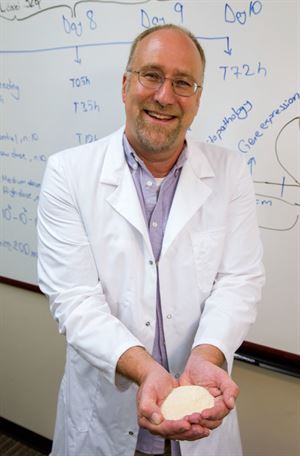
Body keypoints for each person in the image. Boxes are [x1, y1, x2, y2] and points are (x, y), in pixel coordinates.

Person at [37, 24, 265, 456]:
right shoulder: (68, 174)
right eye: (151, 75)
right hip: (104, 419)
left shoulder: (230, 172)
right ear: (126, 85)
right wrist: (146, 371)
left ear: (197, 99)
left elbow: (240, 281)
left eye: (183, 83)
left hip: (203, 418)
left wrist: (207, 355)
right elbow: (74, 300)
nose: (165, 96)